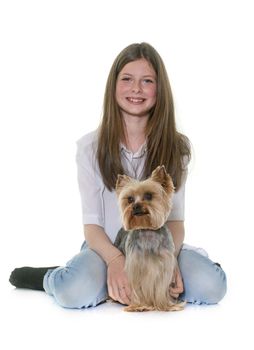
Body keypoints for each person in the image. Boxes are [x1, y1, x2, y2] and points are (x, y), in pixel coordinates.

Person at [9, 42, 227, 308]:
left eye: (147, 81)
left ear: (160, 90)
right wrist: (115, 260)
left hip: (158, 248)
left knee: (212, 286)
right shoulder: (90, 147)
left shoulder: (176, 146)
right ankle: (54, 276)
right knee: (73, 291)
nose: (136, 89)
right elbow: (92, 227)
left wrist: (169, 258)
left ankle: (185, 268)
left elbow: (176, 221)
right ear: (113, 86)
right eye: (127, 79)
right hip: (108, 249)